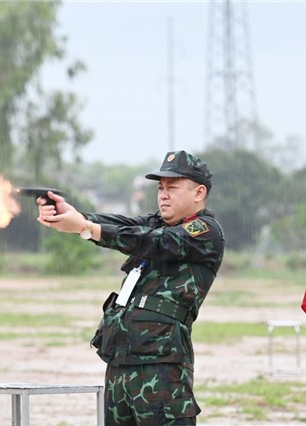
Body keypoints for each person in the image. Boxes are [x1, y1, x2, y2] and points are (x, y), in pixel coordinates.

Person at [37, 150, 225, 425]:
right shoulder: (155, 224)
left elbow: (152, 241)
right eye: (160, 187)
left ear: (199, 193)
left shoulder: (204, 231)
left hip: (161, 363)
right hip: (121, 358)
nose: (163, 194)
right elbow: (121, 224)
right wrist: (73, 216)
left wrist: (86, 227)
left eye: (172, 187)